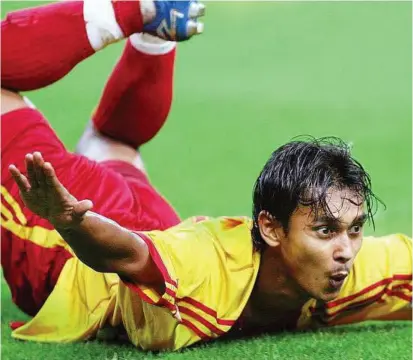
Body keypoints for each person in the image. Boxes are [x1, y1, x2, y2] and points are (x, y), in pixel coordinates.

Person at [1, 0, 411, 352]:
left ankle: (155, 39)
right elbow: (122, 254)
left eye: (354, 229)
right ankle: (135, 9)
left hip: (159, 225)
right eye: (324, 230)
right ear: (269, 227)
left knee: (116, 143)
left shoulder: (345, 266)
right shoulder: (205, 267)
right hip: (69, 244)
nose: (346, 250)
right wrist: (69, 221)